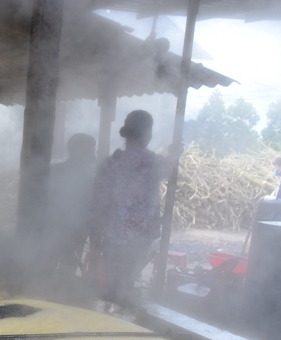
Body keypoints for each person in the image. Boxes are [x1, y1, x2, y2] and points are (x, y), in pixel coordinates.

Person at [89, 110, 181, 305]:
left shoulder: (110, 163)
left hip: (112, 234)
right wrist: (174, 153)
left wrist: (97, 231)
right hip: (140, 236)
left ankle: (109, 309)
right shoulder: (152, 162)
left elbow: (99, 200)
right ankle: (122, 310)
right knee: (128, 280)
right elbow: (171, 168)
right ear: (147, 133)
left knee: (113, 281)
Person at [46, 133, 97, 277]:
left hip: (72, 231)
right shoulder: (87, 179)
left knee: (57, 268)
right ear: (78, 151)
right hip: (59, 229)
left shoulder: (55, 171)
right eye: (90, 150)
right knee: (59, 269)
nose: (93, 155)